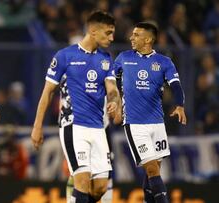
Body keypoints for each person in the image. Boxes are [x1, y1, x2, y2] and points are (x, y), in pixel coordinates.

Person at [31, 11, 120, 203]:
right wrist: (37, 126)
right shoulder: (65, 56)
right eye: (108, 33)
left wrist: (114, 101)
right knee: (82, 179)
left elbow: (112, 89)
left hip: (98, 128)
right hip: (74, 126)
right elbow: (47, 93)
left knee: (100, 188)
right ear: (93, 31)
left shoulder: (106, 59)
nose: (112, 38)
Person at [113, 22, 187, 203]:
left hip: (157, 122)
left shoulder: (164, 62)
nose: (131, 37)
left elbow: (176, 85)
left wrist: (179, 104)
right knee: (152, 169)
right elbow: (111, 82)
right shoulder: (123, 58)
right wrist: (115, 101)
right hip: (135, 124)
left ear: (148, 39)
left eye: (136, 35)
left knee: (152, 173)